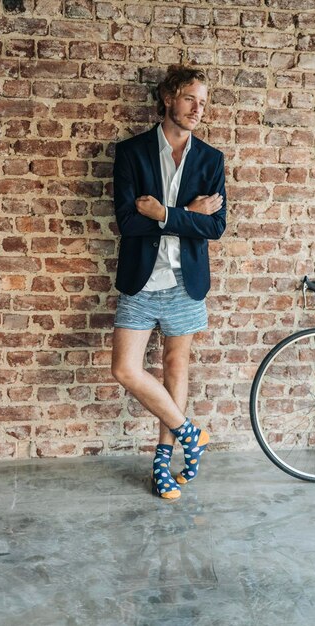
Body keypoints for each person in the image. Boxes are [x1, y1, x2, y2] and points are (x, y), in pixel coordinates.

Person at [111, 65, 227, 500]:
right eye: (190, 99)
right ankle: (190, 434)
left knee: (175, 368)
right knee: (125, 368)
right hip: (141, 280)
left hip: (186, 281)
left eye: (203, 102)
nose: (199, 109)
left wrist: (162, 215)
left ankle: (164, 462)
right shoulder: (132, 153)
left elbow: (215, 227)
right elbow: (126, 223)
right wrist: (185, 217)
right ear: (167, 99)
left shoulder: (211, 159)